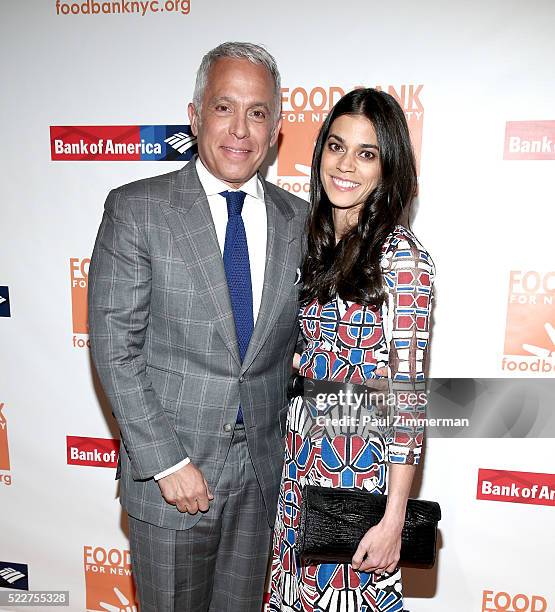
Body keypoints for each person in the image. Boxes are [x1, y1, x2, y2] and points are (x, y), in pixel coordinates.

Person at [87, 42, 307, 612]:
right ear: (194, 115)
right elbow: (116, 347)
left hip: (263, 479)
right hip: (171, 480)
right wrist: (166, 461)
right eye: (224, 107)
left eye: (258, 113)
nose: (240, 129)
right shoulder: (138, 209)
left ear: (277, 128)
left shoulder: (301, 220)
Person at [269, 88, 435, 611]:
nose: (345, 165)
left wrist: (392, 519)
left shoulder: (403, 260)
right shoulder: (309, 245)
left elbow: (407, 400)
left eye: (367, 153)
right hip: (294, 474)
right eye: (336, 146)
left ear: (389, 169)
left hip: (353, 480)